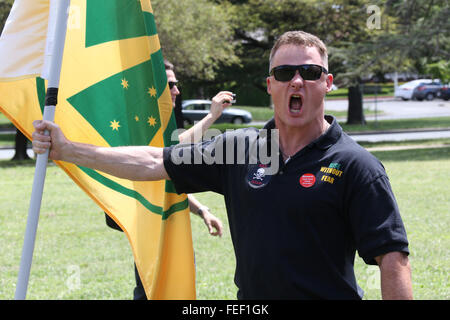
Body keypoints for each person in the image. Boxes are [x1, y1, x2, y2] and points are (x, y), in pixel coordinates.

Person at [32, 31, 413, 300]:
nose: (297, 80)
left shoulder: (356, 165)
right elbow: (154, 161)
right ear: (270, 84)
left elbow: (391, 257)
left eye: (310, 73)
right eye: (285, 73)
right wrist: (68, 150)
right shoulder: (240, 149)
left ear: (327, 83)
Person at [105, 60, 227, 299]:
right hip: (151, 232)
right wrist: (212, 116)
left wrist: (202, 210)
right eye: (170, 84)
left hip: (169, 228)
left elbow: (171, 168)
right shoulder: (140, 127)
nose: (176, 91)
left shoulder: (158, 125)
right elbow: (175, 153)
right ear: (152, 89)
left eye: (176, 84)